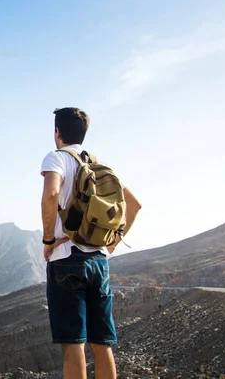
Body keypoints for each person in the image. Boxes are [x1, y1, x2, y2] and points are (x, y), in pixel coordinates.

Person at [40, 107, 142, 379]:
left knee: (74, 346)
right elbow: (134, 205)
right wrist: (114, 241)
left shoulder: (58, 158)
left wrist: (49, 239)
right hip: (99, 262)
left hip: (67, 259)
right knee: (102, 343)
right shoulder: (99, 165)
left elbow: (50, 195)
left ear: (57, 132)